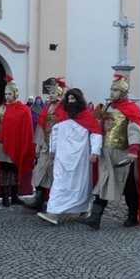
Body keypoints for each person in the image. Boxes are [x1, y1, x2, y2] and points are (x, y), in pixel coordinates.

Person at [79, 74, 140, 229]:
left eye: (115, 90)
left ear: (123, 93)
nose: (112, 92)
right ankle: (95, 218)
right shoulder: (108, 108)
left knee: (129, 187)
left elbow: (135, 129)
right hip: (107, 153)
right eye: (111, 89)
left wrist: (133, 150)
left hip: (124, 155)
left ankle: (132, 215)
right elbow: (99, 128)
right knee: (103, 184)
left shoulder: (132, 110)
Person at [37, 88, 102, 225]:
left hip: (81, 158)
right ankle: (53, 212)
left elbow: (96, 134)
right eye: (69, 99)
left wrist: (94, 152)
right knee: (60, 182)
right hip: (62, 156)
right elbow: (55, 132)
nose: (71, 102)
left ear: (79, 100)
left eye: (73, 99)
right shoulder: (64, 115)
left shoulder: (87, 117)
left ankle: (84, 208)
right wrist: (53, 150)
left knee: (81, 184)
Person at [0, 76, 35, 207]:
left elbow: (27, 129)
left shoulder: (24, 110)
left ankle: (14, 196)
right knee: (4, 171)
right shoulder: (0, 109)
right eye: (6, 94)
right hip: (3, 145)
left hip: (17, 144)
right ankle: (4, 197)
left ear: (15, 94)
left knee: (15, 171)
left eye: (10, 93)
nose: (7, 96)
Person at [25, 78, 67, 211]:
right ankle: (39, 198)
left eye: (54, 93)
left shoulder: (64, 109)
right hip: (46, 146)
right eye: (50, 93)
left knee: (54, 174)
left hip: (58, 148)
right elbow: (41, 127)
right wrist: (39, 145)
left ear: (59, 94)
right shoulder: (47, 108)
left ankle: (54, 202)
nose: (51, 95)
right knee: (40, 171)